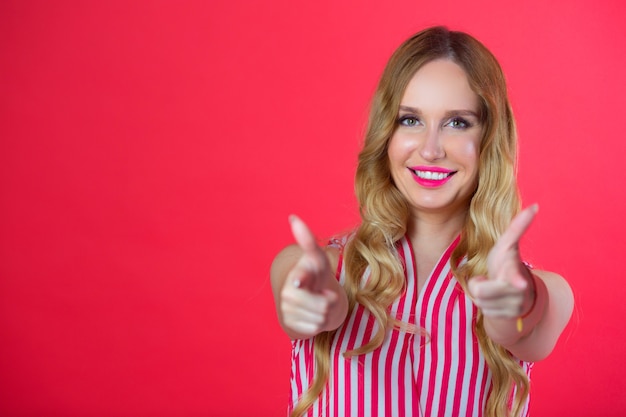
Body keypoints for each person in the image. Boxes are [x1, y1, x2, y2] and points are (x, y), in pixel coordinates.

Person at [270, 26, 574, 417]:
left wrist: (514, 312)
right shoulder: (319, 270)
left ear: (489, 140)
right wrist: (311, 305)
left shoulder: (540, 291)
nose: (430, 150)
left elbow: (527, 329)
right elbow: (301, 303)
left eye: (458, 122)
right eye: (410, 120)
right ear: (386, 135)